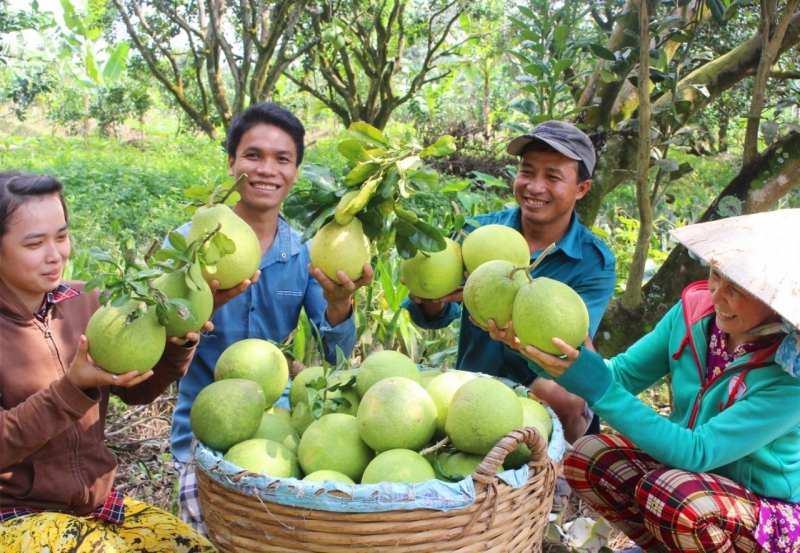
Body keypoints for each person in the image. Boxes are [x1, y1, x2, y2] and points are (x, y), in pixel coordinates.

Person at [490, 210, 800, 552]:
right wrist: (533, 348)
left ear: (777, 304)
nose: (716, 295)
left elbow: (697, 452)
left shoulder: (791, 378)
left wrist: (599, 386)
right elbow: (621, 375)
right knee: (588, 456)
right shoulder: (695, 314)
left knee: (674, 498)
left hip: (762, 512)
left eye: (737, 289)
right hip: (686, 483)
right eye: (716, 274)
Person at [169, 102, 373, 535]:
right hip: (204, 429)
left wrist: (339, 303)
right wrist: (205, 307)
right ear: (231, 163)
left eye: (282, 159)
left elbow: (335, 354)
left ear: (296, 172)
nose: (266, 170)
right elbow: (162, 342)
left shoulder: (305, 252)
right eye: (253, 155)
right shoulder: (188, 245)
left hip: (276, 430)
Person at [0, 172, 214, 551]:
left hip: (95, 508)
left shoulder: (89, 302)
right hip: (16, 514)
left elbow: (136, 390)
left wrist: (177, 345)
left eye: (61, 237)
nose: (55, 255)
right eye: (34, 243)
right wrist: (72, 388)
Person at [401, 120, 616, 444]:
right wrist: (432, 297)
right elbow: (431, 315)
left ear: (581, 189)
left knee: (563, 396)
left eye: (552, 177)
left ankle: (556, 466)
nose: (535, 187)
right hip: (475, 384)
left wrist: (507, 311)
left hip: (540, 391)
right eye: (527, 172)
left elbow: (565, 344)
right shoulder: (476, 234)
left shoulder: (593, 261)